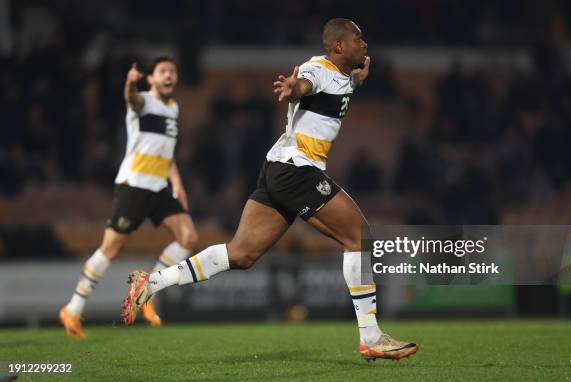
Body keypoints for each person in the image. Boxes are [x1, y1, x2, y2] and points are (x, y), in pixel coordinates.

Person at [122, 19, 418, 361]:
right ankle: (371, 336)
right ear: (338, 46)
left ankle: (151, 283)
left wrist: (355, 80)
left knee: (241, 254)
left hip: (278, 169)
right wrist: (294, 88)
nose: (364, 45)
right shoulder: (317, 68)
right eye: (357, 38)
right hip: (297, 170)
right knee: (359, 237)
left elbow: (337, 86)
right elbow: (306, 84)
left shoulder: (342, 76)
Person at [60, 56, 198, 339]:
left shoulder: (173, 108)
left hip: (159, 186)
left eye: (172, 71)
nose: (169, 75)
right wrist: (129, 86)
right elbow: (132, 100)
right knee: (110, 249)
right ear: (151, 78)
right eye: (163, 71)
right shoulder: (143, 101)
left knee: (189, 238)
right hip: (134, 185)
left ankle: (148, 291)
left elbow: (166, 151)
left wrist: (177, 182)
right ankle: (73, 309)